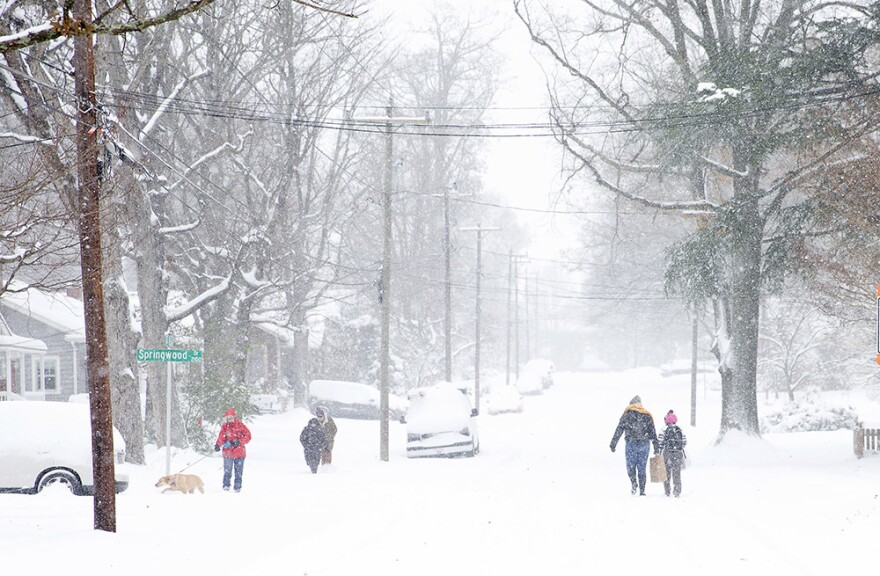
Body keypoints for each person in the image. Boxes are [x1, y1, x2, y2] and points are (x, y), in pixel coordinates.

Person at [609, 395, 660, 496]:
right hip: (644, 444)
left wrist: (613, 443)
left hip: (631, 444)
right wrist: (656, 446)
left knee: (630, 467)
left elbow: (619, 429)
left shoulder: (627, 414)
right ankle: (642, 491)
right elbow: (653, 432)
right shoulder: (647, 415)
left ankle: (634, 483)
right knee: (642, 468)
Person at [214, 408, 252, 492]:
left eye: (231, 417)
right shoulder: (225, 427)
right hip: (228, 452)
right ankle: (226, 486)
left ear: (234, 417)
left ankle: (237, 487)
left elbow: (248, 436)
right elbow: (221, 437)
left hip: (239, 452)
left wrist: (239, 441)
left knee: (238, 471)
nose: (229, 419)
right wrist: (218, 445)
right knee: (227, 471)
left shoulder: (240, 426)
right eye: (227, 418)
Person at [659, 410, 688, 497]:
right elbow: (684, 442)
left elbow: (660, 442)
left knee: (666, 473)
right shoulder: (679, 429)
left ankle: (667, 491)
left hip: (667, 453)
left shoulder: (663, 429)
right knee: (677, 473)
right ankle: (677, 492)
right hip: (678, 453)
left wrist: (660, 450)